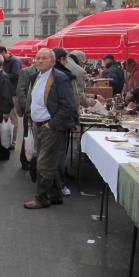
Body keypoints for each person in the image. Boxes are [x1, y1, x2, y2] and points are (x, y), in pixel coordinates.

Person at [23, 48, 76, 209]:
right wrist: (31, 117)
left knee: (44, 164)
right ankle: (55, 194)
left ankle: (41, 198)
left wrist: (52, 123)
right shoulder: (36, 77)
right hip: (39, 125)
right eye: (37, 58)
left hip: (51, 127)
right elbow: (34, 100)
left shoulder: (60, 78)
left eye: (44, 58)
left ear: (53, 62)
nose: (39, 61)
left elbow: (68, 105)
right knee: (47, 162)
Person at [53, 47, 81, 197]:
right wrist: (75, 119)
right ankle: (60, 184)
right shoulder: (68, 76)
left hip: (47, 121)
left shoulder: (41, 75)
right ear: (62, 60)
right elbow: (74, 101)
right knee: (61, 153)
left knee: (50, 154)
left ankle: (52, 183)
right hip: (60, 121)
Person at [0, 46, 21, 149]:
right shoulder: (5, 62)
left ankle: (12, 142)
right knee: (6, 118)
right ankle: (5, 141)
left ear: (4, 52)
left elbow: (16, 75)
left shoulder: (14, 61)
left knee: (12, 118)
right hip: (6, 92)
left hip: (12, 93)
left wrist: (1, 76)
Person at [16, 61, 38, 172]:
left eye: (44, 58)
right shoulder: (26, 72)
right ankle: (25, 159)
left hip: (41, 111)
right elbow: (20, 90)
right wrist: (26, 107)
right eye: (39, 58)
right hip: (29, 109)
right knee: (27, 134)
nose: (41, 60)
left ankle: (35, 161)